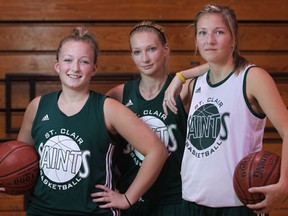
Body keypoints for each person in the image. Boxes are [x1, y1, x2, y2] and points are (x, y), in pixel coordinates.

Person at [0, 26, 169, 215]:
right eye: (68, 60)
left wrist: (128, 198)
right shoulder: (37, 107)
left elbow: (157, 151)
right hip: (41, 210)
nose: (75, 68)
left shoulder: (108, 109)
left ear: (94, 68)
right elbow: (21, 160)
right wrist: (7, 176)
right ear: (57, 65)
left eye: (84, 61)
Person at [163, 4, 288, 216]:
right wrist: (181, 76)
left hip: (238, 205)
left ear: (234, 38)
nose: (209, 40)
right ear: (196, 40)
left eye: (218, 32)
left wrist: (284, 185)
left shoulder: (252, 78)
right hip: (192, 202)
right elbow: (214, 65)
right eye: (202, 33)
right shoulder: (194, 85)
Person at [100, 21, 206, 216]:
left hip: (175, 199)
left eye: (151, 49)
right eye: (137, 52)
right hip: (132, 199)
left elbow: (223, 66)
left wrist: (182, 77)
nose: (145, 58)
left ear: (165, 50)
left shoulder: (182, 89)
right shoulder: (119, 95)